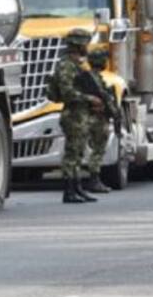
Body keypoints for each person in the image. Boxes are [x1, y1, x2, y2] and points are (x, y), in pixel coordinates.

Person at [46, 28, 102, 203]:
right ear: (78, 45)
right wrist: (89, 98)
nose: (87, 47)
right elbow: (67, 92)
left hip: (81, 115)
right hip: (73, 115)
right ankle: (69, 191)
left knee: (78, 153)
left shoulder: (75, 65)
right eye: (85, 43)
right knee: (72, 154)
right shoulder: (66, 66)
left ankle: (77, 188)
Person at [80, 47, 118, 195]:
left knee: (84, 151)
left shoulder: (93, 78)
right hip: (96, 119)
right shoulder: (92, 79)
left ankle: (83, 181)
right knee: (97, 150)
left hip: (89, 117)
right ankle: (94, 180)